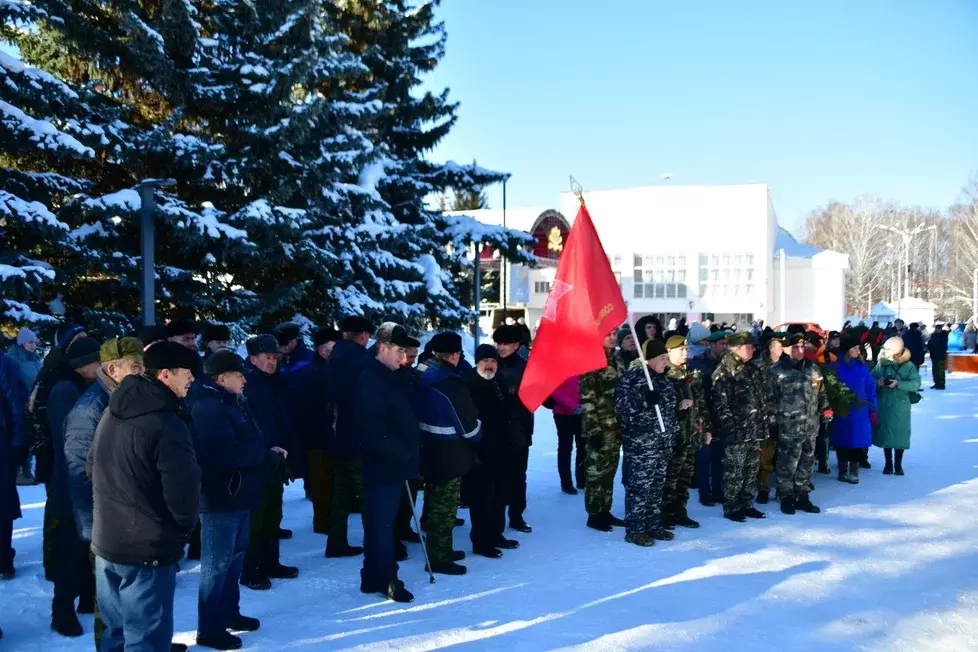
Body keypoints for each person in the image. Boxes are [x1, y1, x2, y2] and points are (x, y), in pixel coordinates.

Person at [89, 341, 201, 652]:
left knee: (116, 633)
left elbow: (91, 465)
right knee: (145, 638)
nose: (192, 379)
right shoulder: (166, 422)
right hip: (146, 547)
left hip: (108, 540)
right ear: (166, 374)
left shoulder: (113, 408)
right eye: (187, 373)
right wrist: (182, 528)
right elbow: (183, 486)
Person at [63, 337, 145, 650]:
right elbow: (78, 472)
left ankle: (142, 642)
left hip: (134, 514)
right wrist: (92, 527)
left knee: (136, 592)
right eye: (135, 366)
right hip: (107, 520)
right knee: (110, 601)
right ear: (112, 368)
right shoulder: (90, 409)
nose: (142, 371)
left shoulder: (129, 396)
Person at [191, 350, 270, 650]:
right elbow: (221, 454)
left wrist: (266, 452)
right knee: (216, 565)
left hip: (238, 495)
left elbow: (248, 441)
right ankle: (209, 628)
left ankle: (228, 612)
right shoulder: (209, 408)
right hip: (220, 498)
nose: (245, 378)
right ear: (222, 378)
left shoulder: (231, 402)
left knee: (234, 561)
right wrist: (261, 454)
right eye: (239, 374)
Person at [356, 324, 420, 603]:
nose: (403, 356)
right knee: (382, 525)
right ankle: (386, 578)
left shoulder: (390, 374)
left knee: (380, 524)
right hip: (381, 464)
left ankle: (372, 576)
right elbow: (373, 429)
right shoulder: (370, 378)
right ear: (382, 348)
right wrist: (401, 452)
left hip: (391, 462)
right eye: (398, 351)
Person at [46, 337, 101, 636]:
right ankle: (62, 609)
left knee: (87, 547)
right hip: (71, 483)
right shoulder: (65, 390)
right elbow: (66, 440)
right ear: (83, 365)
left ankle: (86, 599)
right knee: (71, 550)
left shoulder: (83, 388)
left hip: (82, 481)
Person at [413, 332, 479, 576]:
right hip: (449, 451)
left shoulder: (421, 372)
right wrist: (479, 433)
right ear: (454, 355)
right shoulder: (449, 382)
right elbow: (468, 426)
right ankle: (439, 557)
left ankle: (442, 549)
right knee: (445, 506)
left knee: (434, 501)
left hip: (427, 446)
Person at [240, 335, 299, 590]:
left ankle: (271, 561)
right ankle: (250, 569)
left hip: (278, 458)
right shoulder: (247, 385)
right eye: (268, 358)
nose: (273, 362)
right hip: (256, 460)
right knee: (256, 518)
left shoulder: (282, 382)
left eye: (276, 358)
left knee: (273, 514)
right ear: (253, 359)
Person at [613, 339, 680, 547]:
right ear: (648, 360)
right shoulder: (632, 378)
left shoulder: (664, 380)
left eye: (665, 357)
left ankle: (653, 524)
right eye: (661, 358)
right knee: (639, 487)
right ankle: (635, 529)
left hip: (662, 443)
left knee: (657, 486)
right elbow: (619, 405)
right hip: (641, 444)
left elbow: (669, 411)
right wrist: (644, 399)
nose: (665, 361)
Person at [324, 316, 375, 558]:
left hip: (338, 434)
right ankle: (378, 547)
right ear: (364, 334)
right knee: (368, 495)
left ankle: (336, 541)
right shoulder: (363, 360)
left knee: (341, 494)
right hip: (360, 435)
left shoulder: (334, 357)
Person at [464, 345, 519, 558]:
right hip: (480, 452)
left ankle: (496, 534)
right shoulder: (468, 383)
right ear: (477, 362)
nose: (489, 365)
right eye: (485, 361)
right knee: (481, 499)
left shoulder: (499, 381)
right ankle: (481, 541)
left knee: (501, 495)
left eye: (493, 361)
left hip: (503, 449)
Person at [770, 334, 832, 515]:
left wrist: (826, 410)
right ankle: (786, 497)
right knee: (787, 464)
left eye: (802, 346)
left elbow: (821, 394)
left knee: (806, 462)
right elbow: (769, 400)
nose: (799, 350)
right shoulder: (776, 371)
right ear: (786, 348)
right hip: (788, 427)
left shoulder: (812, 369)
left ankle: (802, 496)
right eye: (795, 347)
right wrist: (773, 424)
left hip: (810, 427)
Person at [711, 332, 768, 523]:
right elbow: (721, 405)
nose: (752, 349)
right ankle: (732, 506)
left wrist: (763, 423)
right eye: (748, 346)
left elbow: (761, 398)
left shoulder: (752, 368)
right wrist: (730, 429)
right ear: (735, 347)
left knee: (751, 468)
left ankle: (746, 503)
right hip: (737, 431)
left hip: (754, 428)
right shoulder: (725, 371)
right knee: (734, 470)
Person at [293, 327, 342, 535]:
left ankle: (332, 520)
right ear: (322, 349)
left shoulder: (335, 368)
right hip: (317, 438)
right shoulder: (309, 372)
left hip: (334, 437)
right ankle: (323, 522)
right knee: (322, 483)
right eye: (332, 348)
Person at [663, 335, 711, 528]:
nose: (684, 353)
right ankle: (665, 513)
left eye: (685, 349)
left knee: (685, 476)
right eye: (680, 350)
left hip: (690, 434)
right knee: (670, 478)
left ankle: (680, 512)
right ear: (668, 352)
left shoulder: (691, 372)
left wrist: (706, 428)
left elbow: (701, 404)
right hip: (673, 436)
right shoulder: (665, 374)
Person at [581, 331, 625, 532]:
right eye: (608, 333)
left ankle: (605, 509)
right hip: (599, 426)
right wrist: (594, 430)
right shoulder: (590, 361)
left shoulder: (617, 358)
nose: (613, 337)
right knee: (596, 472)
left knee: (609, 471)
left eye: (615, 333)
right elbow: (588, 399)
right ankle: (594, 513)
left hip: (616, 425)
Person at [493, 325, 533, 533]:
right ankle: (497, 517)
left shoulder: (526, 366)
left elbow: (533, 397)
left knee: (518, 475)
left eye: (506, 343)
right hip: (497, 428)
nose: (501, 347)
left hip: (519, 428)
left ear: (517, 345)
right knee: (498, 476)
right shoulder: (492, 363)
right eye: (499, 343)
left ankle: (516, 515)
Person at [830, 334, 877, 484]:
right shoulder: (836, 367)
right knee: (841, 439)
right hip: (842, 410)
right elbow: (830, 387)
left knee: (858, 440)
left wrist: (873, 408)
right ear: (846, 350)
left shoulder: (863, 367)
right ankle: (843, 469)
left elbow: (870, 388)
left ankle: (854, 470)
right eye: (855, 348)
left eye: (859, 348)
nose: (858, 351)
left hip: (860, 410)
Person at [690, 330, 729, 507]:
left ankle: (718, 491)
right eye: (721, 344)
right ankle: (705, 493)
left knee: (720, 457)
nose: (724, 347)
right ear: (711, 344)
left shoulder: (728, 364)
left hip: (721, 415)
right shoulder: (698, 364)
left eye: (726, 344)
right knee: (704, 456)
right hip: (703, 416)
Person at [872, 337, 921, 476]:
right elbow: (871, 379)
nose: (883, 351)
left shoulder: (908, 366)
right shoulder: (881, 364)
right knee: (886, 434)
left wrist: (898, 384)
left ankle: (898, 465)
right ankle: (888, 463)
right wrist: (879, 383)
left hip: (901, 405)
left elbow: (916, 383)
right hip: (885, 403)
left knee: (900, 435)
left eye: (886, 349)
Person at [1, 353, 28, 584]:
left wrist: (19, 442)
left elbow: (17, 404)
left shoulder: (6, 364)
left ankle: (3, 559)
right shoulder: (7, 364)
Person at [6, 328, 41, 486]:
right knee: (19, 437)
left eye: (35, 342)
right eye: (30, 342)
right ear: (21, 343)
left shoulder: (35, 358)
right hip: (18, 404)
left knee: (30, 436)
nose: (33, 345)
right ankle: (19, 471)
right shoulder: (13, 359)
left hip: (32, 403)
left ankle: (27, 470)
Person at [754, 334, 786, 504]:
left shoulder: (788, 366)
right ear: (771, 348)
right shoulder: (759, 366)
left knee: (784, 456)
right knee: (765, 456)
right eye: (780, 347)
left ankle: (783, 489)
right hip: (766, 418)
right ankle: (763, 488)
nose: (783, 350)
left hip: (787, 418)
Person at [549, 375, 584, 494]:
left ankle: (582, 479)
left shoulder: (584, 365)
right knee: (565, 448)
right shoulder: (558, 368)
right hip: (563, 413)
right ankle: (566, 483)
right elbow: (554, 391)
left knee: (583, 446)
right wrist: (572, 406)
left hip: (582, 412)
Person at [927, 323, 948, 390]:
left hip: (940, 355)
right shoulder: (933, 335)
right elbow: (930, 344)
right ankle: (936, 383)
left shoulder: (943, 335)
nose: (937, 330)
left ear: (941, 329)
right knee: (935, 370)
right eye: (936, 329)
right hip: (933, 355)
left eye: (938, 329)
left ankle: (941, 384)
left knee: (940, 370)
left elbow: (943, 345)